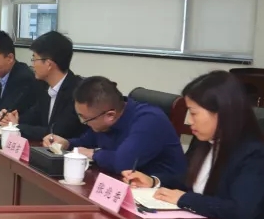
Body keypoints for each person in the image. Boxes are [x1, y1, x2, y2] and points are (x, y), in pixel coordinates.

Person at [123, 71, 264, 219]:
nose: (189, 121)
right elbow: (189, 180)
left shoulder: (254, 154)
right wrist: (154, 181)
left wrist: (184, 199)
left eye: (194, 113)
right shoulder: (203, 140)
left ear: (221, 113)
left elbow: (240, 211)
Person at [45, 76, 186, 180]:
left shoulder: (149, 120)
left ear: (110, 115)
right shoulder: (104, 120)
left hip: (163, 195)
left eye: (86, 119)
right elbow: (86, 141)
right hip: (127, 185)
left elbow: (123, 163)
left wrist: (93, 154)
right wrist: (67, 143)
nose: (84, 122)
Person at [0, 31, 87, 141]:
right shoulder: (43, 86)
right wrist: (11, 119)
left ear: (48, 64)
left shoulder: (77, 92)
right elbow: (33, 116)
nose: (33, 64)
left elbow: (56, 132)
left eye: (34, 59)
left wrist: (17, 127)